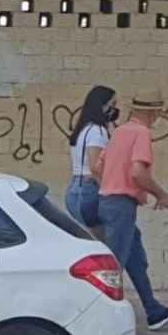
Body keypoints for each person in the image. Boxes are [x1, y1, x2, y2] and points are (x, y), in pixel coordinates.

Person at [97, 88, 168, 331]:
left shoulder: (119, 132)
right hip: (120, 205)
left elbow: (99, 166)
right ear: (154, 113)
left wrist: (112, 183)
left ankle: (153, 311)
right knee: (111, 267)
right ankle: (101, 320)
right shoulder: (141, 133)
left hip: (111, 202)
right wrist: (161, 195)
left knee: (136, 260)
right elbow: (138, 172)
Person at [65, 86, 119, 230]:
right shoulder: (97, 131)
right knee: (105, 242)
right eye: (112, 105)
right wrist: (110, 192)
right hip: (90, 190)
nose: (114, 110)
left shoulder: (83, 129)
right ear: (101, 105)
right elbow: (95, 167)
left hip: (75, 189)